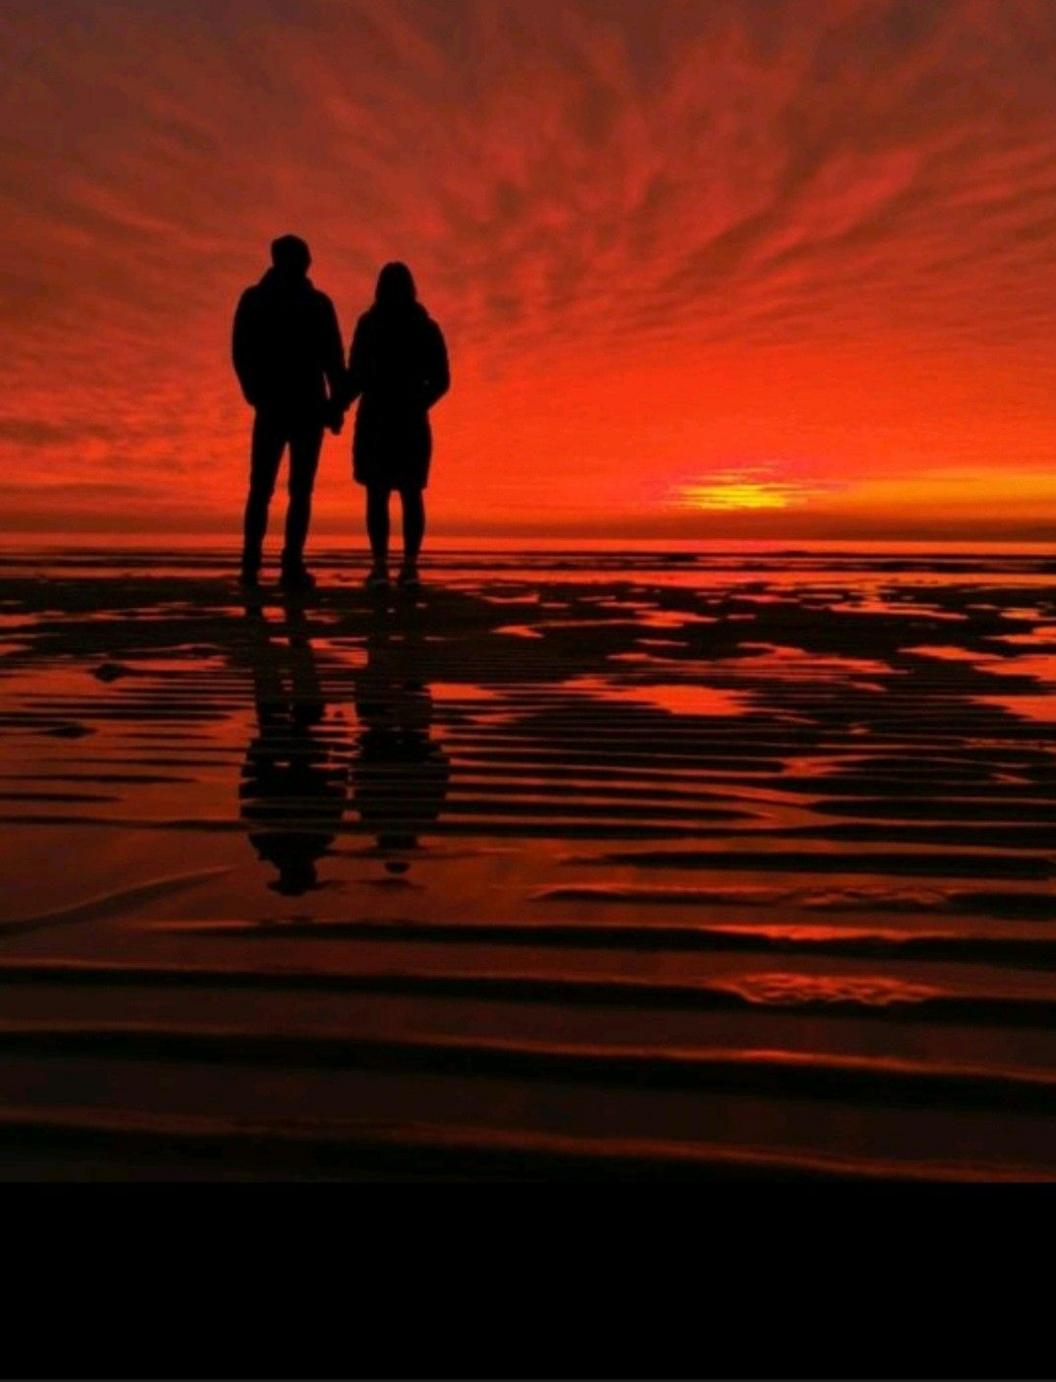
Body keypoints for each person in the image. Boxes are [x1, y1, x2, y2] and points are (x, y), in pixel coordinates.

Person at [232, 234, 346, 591]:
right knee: (268, 488)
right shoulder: (259, 300)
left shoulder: (314, 304)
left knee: (291, 490)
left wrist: (336, 405)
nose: (306, 263)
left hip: (302, 406)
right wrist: (254, 392)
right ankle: (257, 563)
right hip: (282, 405)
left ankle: (283, 562)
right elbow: (242, 351)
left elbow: (333, 359)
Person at [340, 262, 450, 589]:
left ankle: (384, 566)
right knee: (406, 493)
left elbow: (356, 374)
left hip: (383, 417)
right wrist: (419, 402)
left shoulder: (374, 324)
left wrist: (338, 405)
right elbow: (442, 380)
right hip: (403, 420)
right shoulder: (424, 327)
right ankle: (405, 566)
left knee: (384, 493)